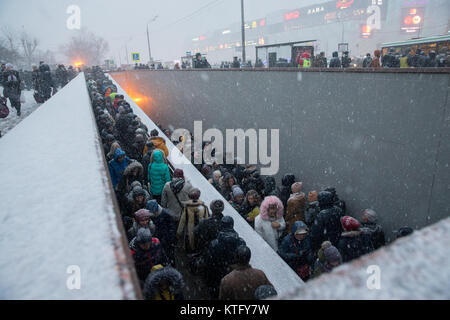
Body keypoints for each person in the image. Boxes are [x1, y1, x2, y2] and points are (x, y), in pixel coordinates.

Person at [204, 216, 246, 298]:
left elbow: (209, 263)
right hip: (233, 275)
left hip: (217, 274)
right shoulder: (241, 242)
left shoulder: (214, 244)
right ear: (232, 225)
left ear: (221, 225)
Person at [176, 188, 210, 253]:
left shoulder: (186, 208)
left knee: (191, 242)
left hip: (190, 230)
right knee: (199, 242)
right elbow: (207, 219)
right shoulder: (204, 207)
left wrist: (178, 232)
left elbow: (182, 221)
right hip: (201, 230)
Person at [147, 200, 177, 264]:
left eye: (154, 211)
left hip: (166, 240)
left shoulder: (166, 215)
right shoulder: (150, 216)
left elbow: (172, 228)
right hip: (158, 239)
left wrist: (170, 239)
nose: (154, 213)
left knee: (169, 255)